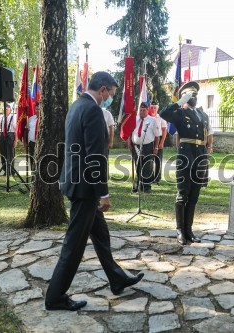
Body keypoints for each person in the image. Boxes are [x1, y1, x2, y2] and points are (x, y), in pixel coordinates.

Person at [45, 71, 143, 312]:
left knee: (100, 234)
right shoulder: (92, 110)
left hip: (76, 182)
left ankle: (116, 278)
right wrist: (104, 193)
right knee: (74, 244)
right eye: (111, 93)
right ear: (102, 89)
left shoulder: (76, 106)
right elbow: (95, 156)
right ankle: (55, 296)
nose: (110, 98)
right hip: (86, 188)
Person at [159, 81, 214, 245]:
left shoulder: (203, 115)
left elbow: (206, 136)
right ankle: (180, 230)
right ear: (184, 97)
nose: (193, 98)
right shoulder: (179, 113)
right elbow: (163, 114)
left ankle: (189, 230)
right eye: (190, 95)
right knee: (182, 195)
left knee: (194, 195)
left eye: (195, 95)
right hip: (185, 156)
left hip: (200, 157)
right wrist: (179, 102)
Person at [130, 102, 160, 193]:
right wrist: (130, 144)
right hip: (136, 146)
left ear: (147, 110)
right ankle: (139, 185)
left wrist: (156, 147)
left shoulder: (152, 120)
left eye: (144, 110)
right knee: (138, 165)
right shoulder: (135, 119)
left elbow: (157, 136)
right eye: (141, 110)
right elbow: (131, 133)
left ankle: (146, 187)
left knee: (147, 166)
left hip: (148, 146)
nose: (142, 112)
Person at [0, 103, 16, 176]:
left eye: (6, 109)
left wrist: (15, 140)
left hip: (10, 135)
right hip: (2, 135)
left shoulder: (13, 117)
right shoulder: (1, 117)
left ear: (10, 110)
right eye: (4, 109)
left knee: (9, 154)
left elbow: (16, 130)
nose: (5, 110)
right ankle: (5, 170)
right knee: (3, 153)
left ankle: (11, 171)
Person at [151, 100, 167, 184]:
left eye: (155, 107)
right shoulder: (148, 116)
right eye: (152, 107)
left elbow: (164, 130)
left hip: (159, 138)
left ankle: (157, 178)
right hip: (150, 139)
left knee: (158, 160)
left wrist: (161, 142)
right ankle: (150, 176)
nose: (153, 109)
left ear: (158, 108)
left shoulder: (161, 117)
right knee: (149, 160)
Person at [27, 103, 39, 172]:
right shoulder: (31, 119)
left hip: (40, 143)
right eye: (36, 109)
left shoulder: (45, 119)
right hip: (32, 143)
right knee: (32, 159)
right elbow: (27, 130)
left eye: (39, 109)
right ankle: (33, 173)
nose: (38, 110)